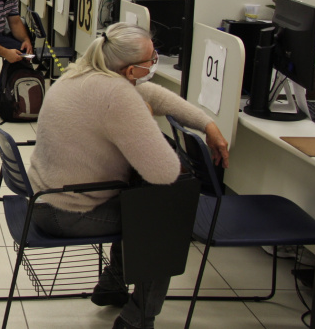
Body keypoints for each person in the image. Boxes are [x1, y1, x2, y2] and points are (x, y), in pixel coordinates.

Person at [27, 22, 230, 329]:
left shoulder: (83, 72)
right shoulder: (117, 96)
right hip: (67, 213)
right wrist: (145, 118)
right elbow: (164, 173)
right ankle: (137, 320)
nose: (154, 63)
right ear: (131, 70)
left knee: (137, 199)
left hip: (45, 200)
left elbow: (152, 93)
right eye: (151, 59)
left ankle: (112, 285)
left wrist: (207, 124)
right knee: (166, 217)